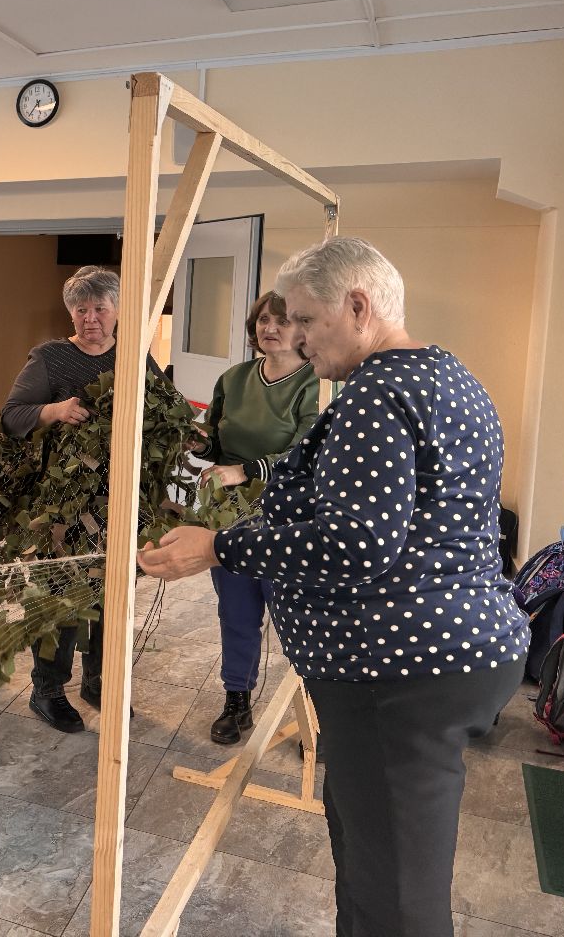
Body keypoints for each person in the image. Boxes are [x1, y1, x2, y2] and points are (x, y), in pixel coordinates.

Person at [137, 237, 527, 937]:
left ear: (357, 307)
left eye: (307, 322)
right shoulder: (448, 376)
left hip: (399, 674)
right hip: (446, 654)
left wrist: (220, 546)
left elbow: (356, 543)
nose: (296, 338)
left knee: (396, 897)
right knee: (375, 852)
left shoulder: (377, 396)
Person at [1, 265, 172, 732]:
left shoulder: (135, 354)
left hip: (121, 499)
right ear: (70, 314)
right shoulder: (51, 357)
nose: (91, 317)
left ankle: (99, 681)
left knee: (114, 593)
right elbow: (12, 417)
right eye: (82, 309)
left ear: (117, 311)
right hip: (65, 506)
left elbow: (164, 408)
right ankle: (48, 689)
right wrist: (54, 410)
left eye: (100, 308)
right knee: (63, 595)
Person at [194, 291, 318, 745]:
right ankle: (237, 700)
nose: (271, 328)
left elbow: (307, 453)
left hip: (289, 519)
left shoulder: (314, 384)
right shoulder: (234, 378)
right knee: (237, 611)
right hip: (231, 516)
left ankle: (314, 711)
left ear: (302, 329)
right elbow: (215, 438)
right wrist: (199, 444)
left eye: (282, 320)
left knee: (296, 617)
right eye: (263, 320)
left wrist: (245, 470)